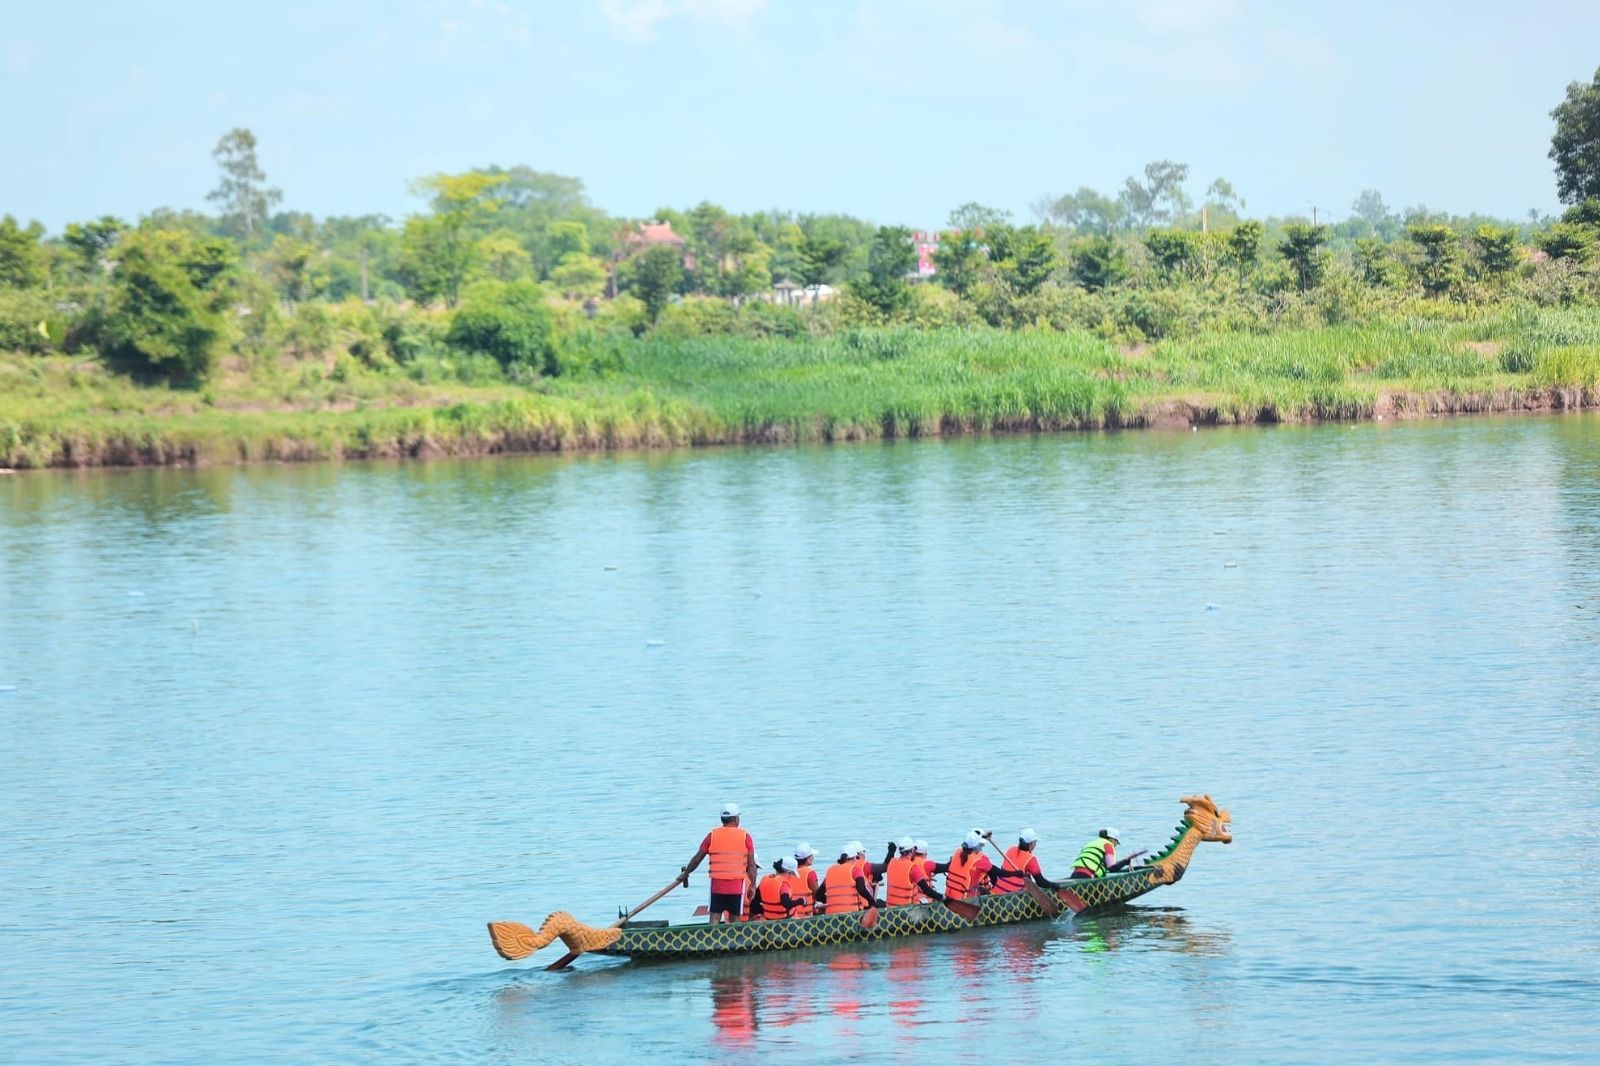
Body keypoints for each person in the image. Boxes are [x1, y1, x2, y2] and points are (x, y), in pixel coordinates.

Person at [680, 803, 759, 922]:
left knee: (714, 917)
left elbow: (697, 859)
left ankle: (712, 939)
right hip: (736, 885)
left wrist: (685, 873)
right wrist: (753, 885)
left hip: (717, 885)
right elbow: (752, 865)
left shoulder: (712, 835)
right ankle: (736, 939)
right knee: (735, 917)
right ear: (737, 819)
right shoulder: (745, 837)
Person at [814, 841, 880, 914]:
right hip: (851, 913)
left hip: (831, 913)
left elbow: (818, 895)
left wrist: (833, 902)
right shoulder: (855, 870)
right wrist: (874, 903)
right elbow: (862, 889)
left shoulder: (830, 871)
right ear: (854, 858)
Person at [926, 830, 995, 900]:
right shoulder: (980, 860)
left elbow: (945, 868)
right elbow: (994, 877)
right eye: (981, 845)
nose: (981, 848)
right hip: (969, 900)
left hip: (953, 897)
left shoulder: (957, 855)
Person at [988, 828, 1061, 893]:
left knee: (1027, 876)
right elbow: (1040, 882)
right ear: (1031, 844)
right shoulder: (1031, 859)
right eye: (1035, 842)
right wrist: (1053, 885)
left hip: (996, 892)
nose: (1035, 845)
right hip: (1013, 896)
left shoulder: (1011, 849)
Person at [886, 836, 948, 907]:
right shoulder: (913, 868)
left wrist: (890, 851)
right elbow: (926, 890)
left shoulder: (891, 863)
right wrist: (943, 897)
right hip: (904, 912)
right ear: (912, 850)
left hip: (890, 909)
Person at [790, 843, 820, 915]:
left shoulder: (789, 872)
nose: (813, 858)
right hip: (805, 913)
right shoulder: (810, 873)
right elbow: (817, 894)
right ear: (808, 859)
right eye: (812, 856)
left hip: (791, 913)